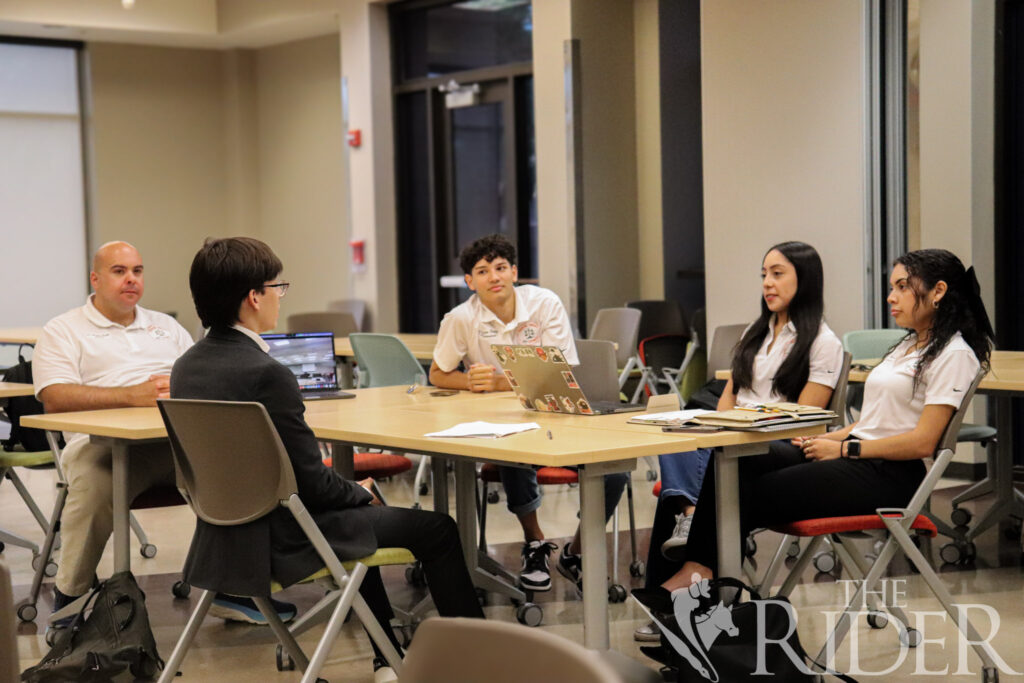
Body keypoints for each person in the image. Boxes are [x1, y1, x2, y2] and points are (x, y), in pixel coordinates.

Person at [171, 237, 484, 679]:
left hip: (223, 535)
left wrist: (353, 496)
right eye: (277, 287)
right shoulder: (267, 373)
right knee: (435, 528)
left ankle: (387, 658)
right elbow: (312, 485)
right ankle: (478, 655)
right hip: (283, 535)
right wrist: (358, 488)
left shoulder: (186, 366)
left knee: (360, 516)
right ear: (253, 297)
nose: (280, 296)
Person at [633, 248, 993, 617]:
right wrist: (831, 439)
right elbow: (873, 422)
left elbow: (923, 441)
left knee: (739, 490)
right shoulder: (908, 346)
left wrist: (845, 451)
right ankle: (694, 579)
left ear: (938, 291)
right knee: (735, 460)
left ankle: (699, 582)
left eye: (902, 286)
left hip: (891, 474)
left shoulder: (954, 354)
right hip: (861, 455)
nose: (891, 297)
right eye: (891, 287)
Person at [31, 242, 264, 630]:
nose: (131, 279)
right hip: (101, 447)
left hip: (176, 441)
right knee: (93, 486)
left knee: (239, 471)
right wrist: (129, 395)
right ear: (95, 278)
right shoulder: (64, 329)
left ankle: (230, 589)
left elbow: (202, 374)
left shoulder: (166, 326)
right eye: (119, 271)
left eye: (137, 271)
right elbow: (54, 398)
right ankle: (70, 598)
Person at [634, 241, 844, 641]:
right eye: (764, 274)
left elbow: (806, 420)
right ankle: (690, 521)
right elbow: (728, 398)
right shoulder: (755, 332)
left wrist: (742, 429)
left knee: (731, 458)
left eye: (778, 274)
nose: (767, 283)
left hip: (783, 445)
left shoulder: (822, 341)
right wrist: (722, 427)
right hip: (738, 436)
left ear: (806, 279)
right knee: (676, 436)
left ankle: (692, 570)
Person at [429, 233, 628, 594]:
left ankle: (577, 552)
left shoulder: (544, 304)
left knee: (615, 467)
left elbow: (561, 368)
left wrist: (500, 382)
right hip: (506, 422)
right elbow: (438, 373)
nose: (495, 277)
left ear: (515, 272)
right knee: (512, 452)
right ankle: (535, 542)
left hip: (558, 413)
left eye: (502, 268)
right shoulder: (460, 318)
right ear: (469, 282)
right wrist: (469, 381)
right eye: (483, 271)